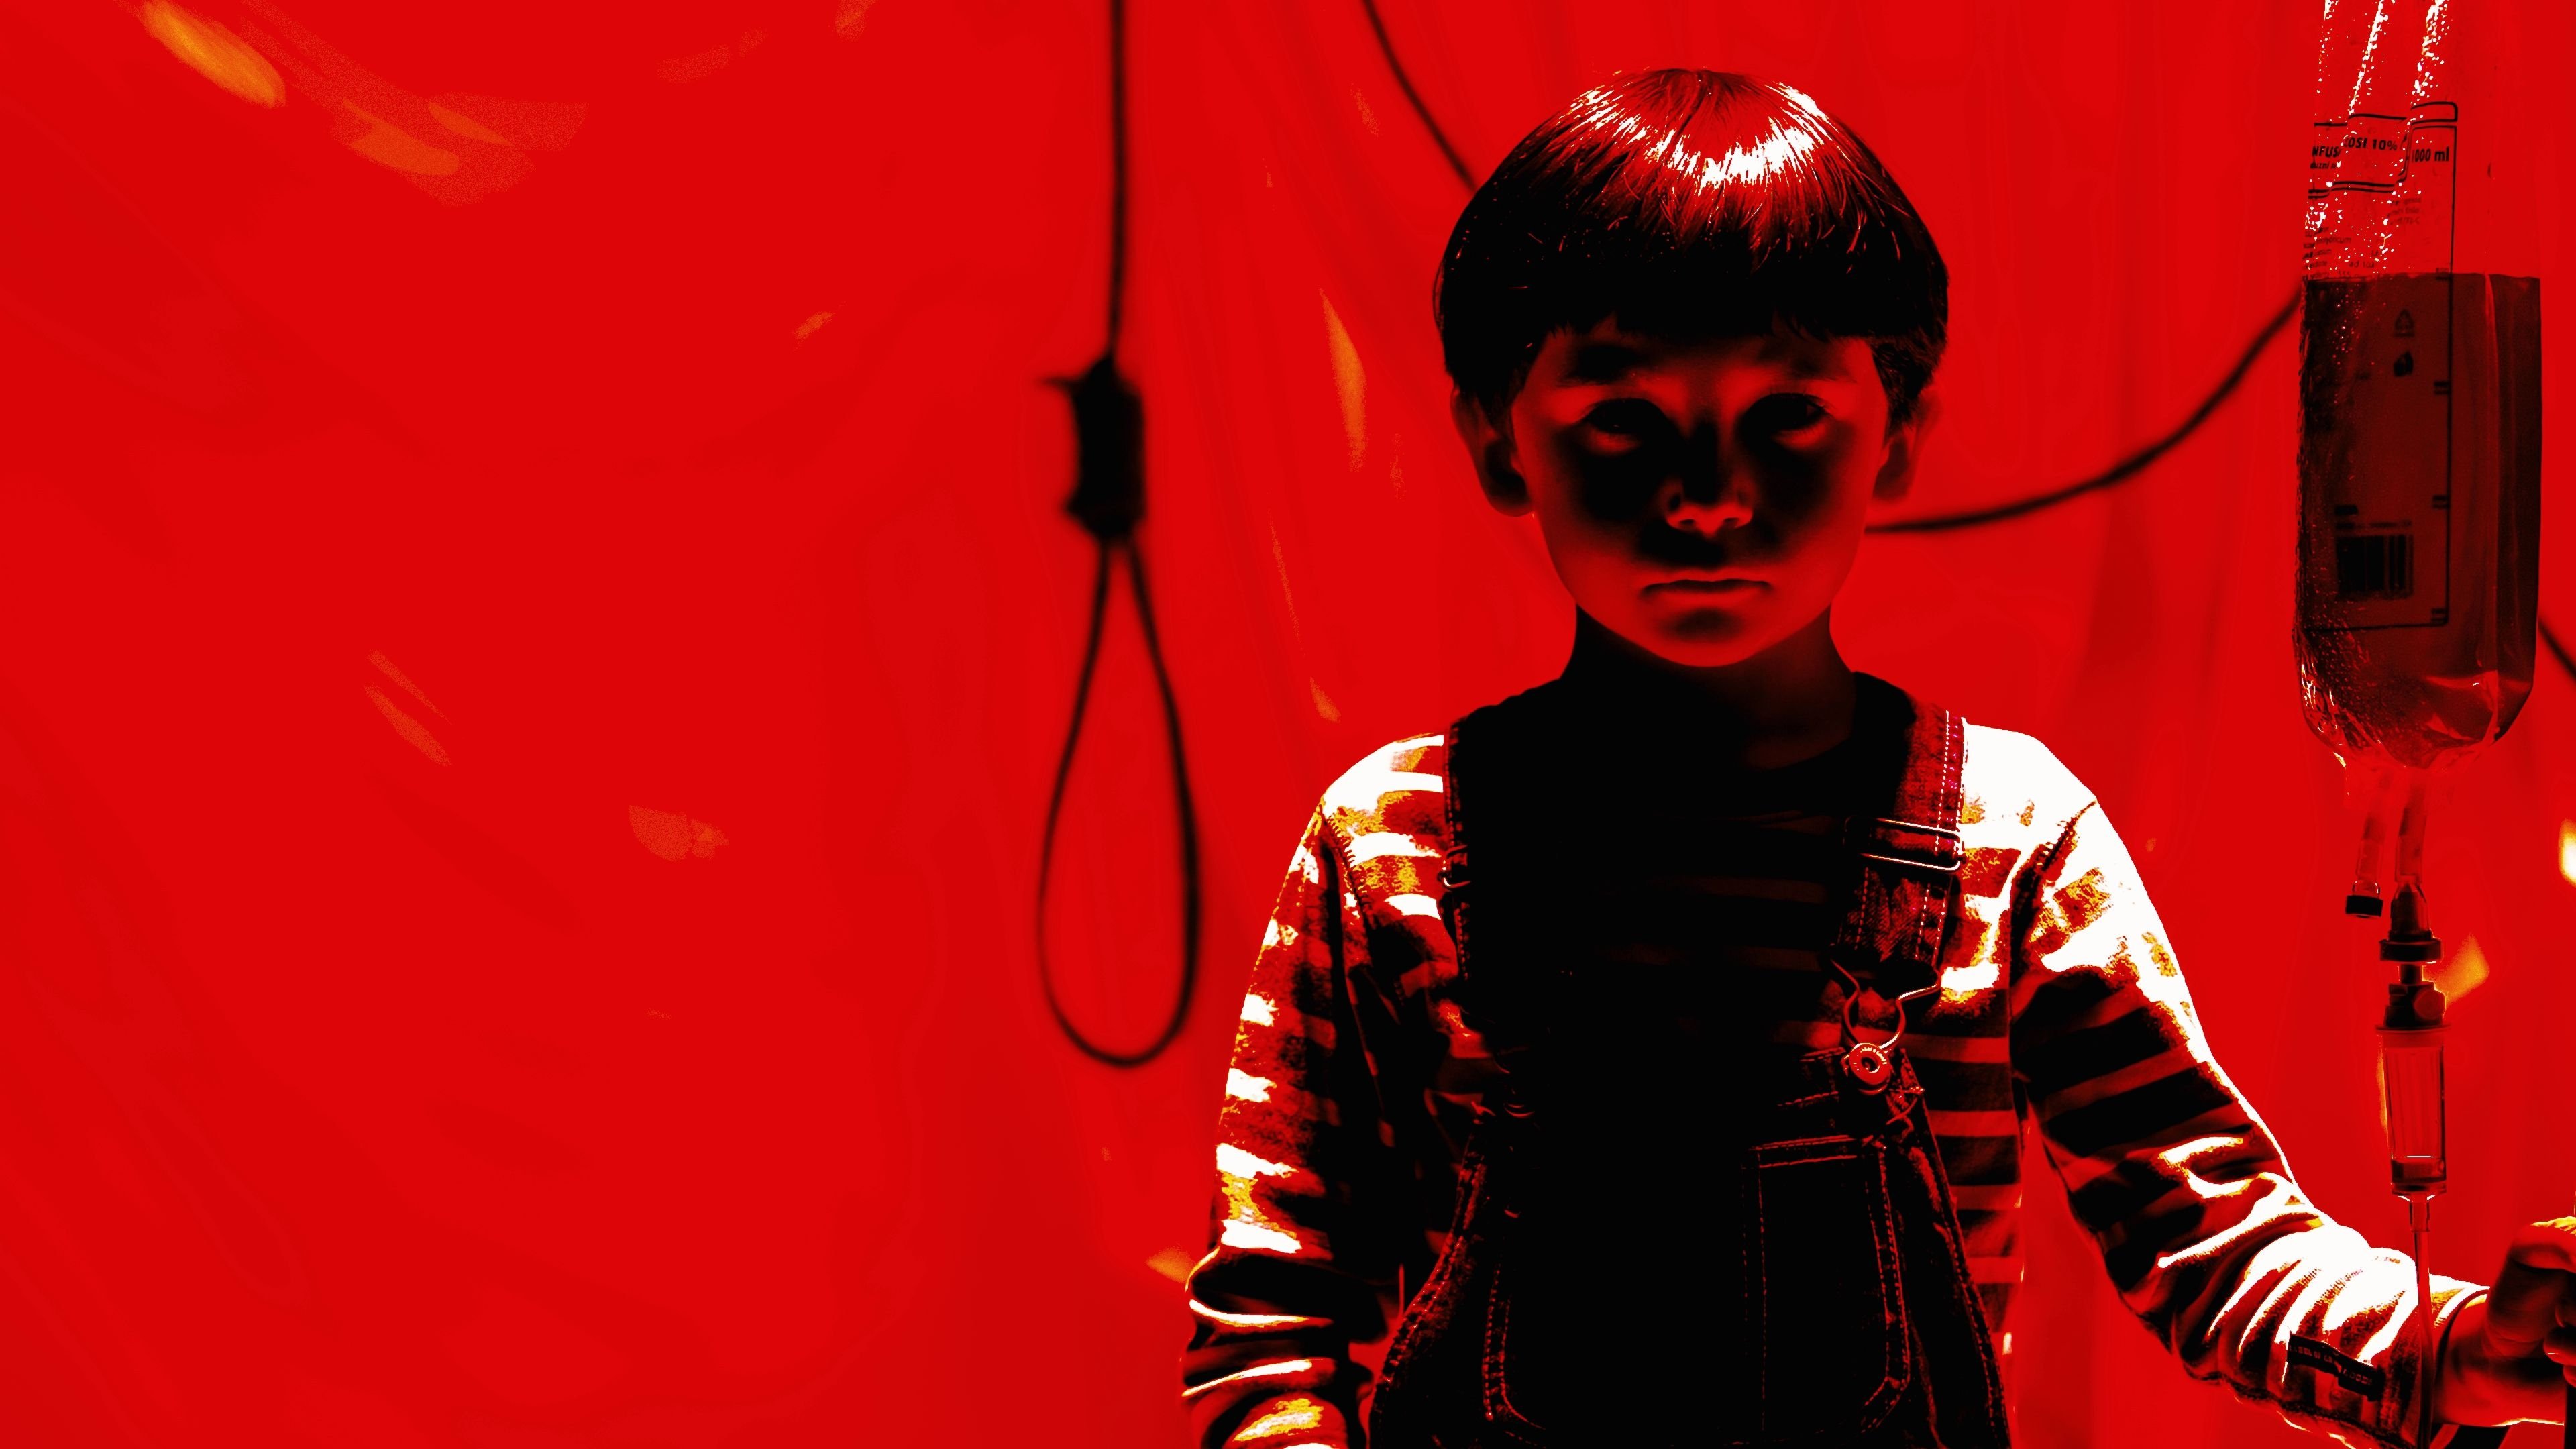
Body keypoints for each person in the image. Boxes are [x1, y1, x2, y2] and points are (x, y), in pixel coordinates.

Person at [1177, 69, 2575, 1448]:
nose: (1708, 496)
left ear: (1899, 440)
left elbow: (2209, 1244)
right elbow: (1274, 1321)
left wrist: (2457, 1353)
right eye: (1621, 418)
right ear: (1498, 444)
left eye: (1788, 415)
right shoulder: (1394, 841)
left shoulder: (2010, 838)